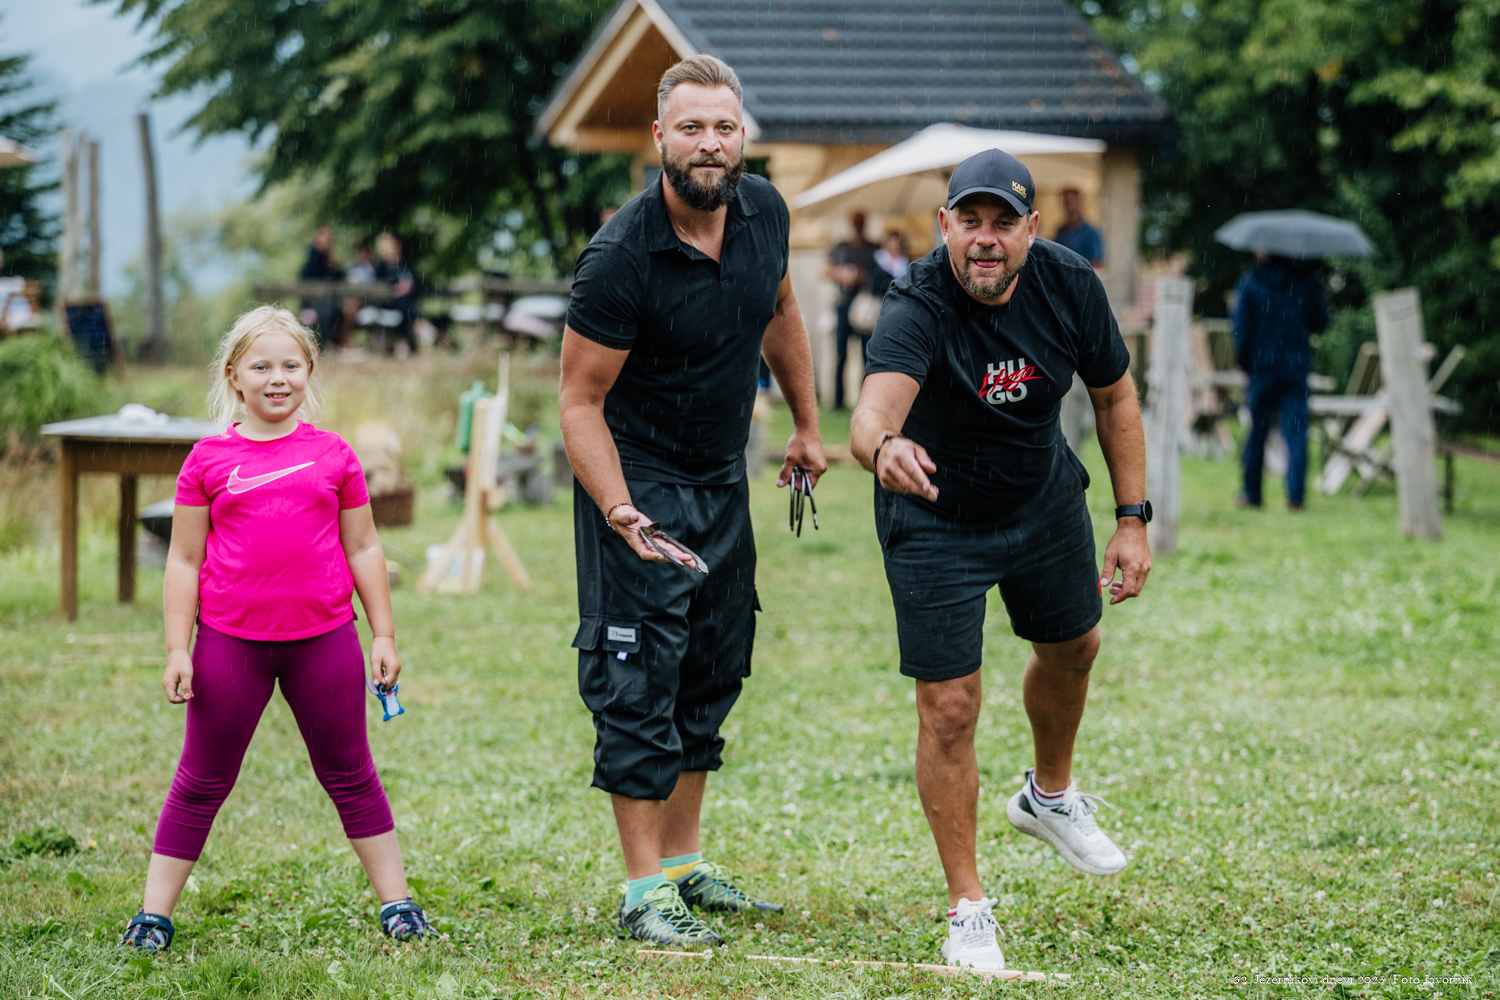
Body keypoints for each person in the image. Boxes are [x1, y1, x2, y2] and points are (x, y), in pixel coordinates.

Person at [851, 149, 1151, 971]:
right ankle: (968, 907)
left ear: (1032, 228)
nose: (986, 239)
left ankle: (1048, 797)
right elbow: (873, 410)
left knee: (1076, 646)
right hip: (935, 514)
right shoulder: (917, 301)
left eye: (1003, 223)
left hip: (1039, 497)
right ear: (944, 225)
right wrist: (883, 447)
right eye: (970, 221)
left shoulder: (1069, 284)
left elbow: (1115, 394)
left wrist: (1132, 520)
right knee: (950, 707)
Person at [560, 54, 825, 948]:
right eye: (692, 128)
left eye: (724, 127)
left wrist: (806, 424)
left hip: (721, 475)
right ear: (660, 138)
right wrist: (618, 509)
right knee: (638, 676)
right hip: (637, 486)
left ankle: (682, 865)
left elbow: (781, 310)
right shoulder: (620, 257)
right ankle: (643, 891)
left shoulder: (765, 213)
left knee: (711, 663)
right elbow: (578, 402)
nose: (709, 143)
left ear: (742, 135)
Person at [119, 307, 431, 952]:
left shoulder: (333, 454)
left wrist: (384, 634)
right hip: (230, 644)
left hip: (325, 641)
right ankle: (152, 916)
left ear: (309, 371)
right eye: (261, 366)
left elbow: (364, 547)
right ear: (234, 377)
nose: (277, 378)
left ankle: (399, 905)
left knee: (350, 772)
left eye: (291, 365)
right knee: (201, 779)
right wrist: (178, 648)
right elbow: (183, 560)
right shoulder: (207, 460)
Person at [1233, 254, 1328, 510]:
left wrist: (1245, 364)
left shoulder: (1251, 282)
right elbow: (1321, 320)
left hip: (1262, 367)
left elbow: (1241, 329)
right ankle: (1296, 496)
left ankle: (1252, 493)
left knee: (1258, 430)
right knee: (1296, 432)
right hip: (1296, 368)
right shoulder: (1305, 282)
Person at [825, 211, 879, 409]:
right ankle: (838, 400)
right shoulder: (841, 247)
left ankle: (865, 399)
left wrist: (862, 276)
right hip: (844, 305)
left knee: (867, 355)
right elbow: (826, 270)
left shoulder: (873, 248)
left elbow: (882, 272)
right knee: (841, 353)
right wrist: (842, 274)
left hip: (866, 308)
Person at [299, 226, 345, 345]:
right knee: (326, 313)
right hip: (315, 303)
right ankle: (323, 343)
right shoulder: (313, 260)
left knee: (338, 311)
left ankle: (330, 343)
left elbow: (340, 278)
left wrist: (334, 267)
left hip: (328, 302)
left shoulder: (329, 261)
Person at [374, 232, 418, 356]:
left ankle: (404, 339)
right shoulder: (380, 267)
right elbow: (378, 289)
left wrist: (401, 290)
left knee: (405, 303)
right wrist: (393, 291)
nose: (385, 251)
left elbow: (413, 285)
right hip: (387, 304)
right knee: (404, 304)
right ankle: (410, 333)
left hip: (405, 303)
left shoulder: (405, 263)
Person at [1052, 188, 1105, 269]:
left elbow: (1097, 264)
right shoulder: (1061, 232)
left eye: (1072, 203)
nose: (1070, 207)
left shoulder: (1091, 232)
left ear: (1079, 203)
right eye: (1067, 203)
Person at [873, 229, 910, 296]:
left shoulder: (905, 262)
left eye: (896, 243)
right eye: (892, 242)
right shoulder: (878, 258)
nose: (894, 245)